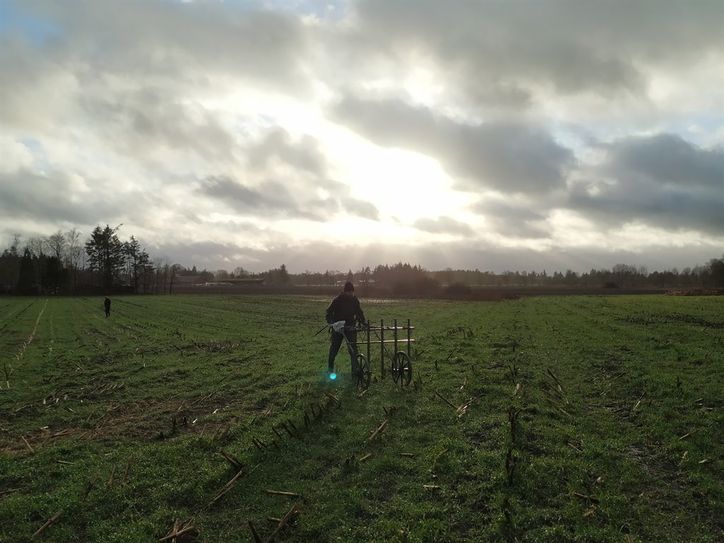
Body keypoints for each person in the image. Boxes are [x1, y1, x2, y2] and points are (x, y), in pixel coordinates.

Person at [325, 281, 366, 379]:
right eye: (349, 292)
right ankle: (330, 370)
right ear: (345, 292)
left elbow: (359, 312)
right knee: (334, 349)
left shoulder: (354, 300)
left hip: (351, 328)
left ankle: (354, 373)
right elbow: (329, 312)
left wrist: (363, 322)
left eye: (352, 292)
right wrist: (332, 322)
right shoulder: (337, 300)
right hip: (339, 328)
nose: (351, 294)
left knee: (353, 351)